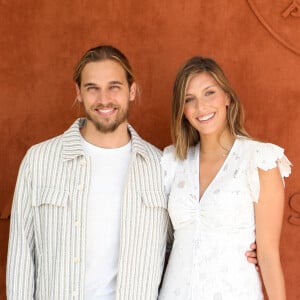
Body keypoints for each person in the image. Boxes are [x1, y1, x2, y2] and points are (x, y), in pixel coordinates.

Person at [6, 45, 258, 300]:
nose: (104, 99)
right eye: (92, 88)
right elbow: (21, 258)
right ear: (79, 93)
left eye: (114, 86)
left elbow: (188, 234)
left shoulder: (161, 166)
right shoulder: (40, 160)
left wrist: (238, 247)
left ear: (132, 91)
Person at [159, 56, 291, 300]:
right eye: (190, 99)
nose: (201, 107)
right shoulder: (172, 162)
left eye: (209, 93)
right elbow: (158, 238)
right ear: (183, 110)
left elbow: (268, 255)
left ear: (227, 97)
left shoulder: (259, 160)